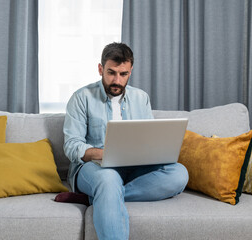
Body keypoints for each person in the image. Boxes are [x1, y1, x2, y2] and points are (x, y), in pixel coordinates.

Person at [60, 42, 188, 240]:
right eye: (111, 73)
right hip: (94, 168)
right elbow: (72, 146)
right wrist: (105, 154)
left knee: (179, 173)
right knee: (108, 179)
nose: (117, 80)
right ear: (100, 69)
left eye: (123, 74)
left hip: (133, 167)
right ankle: (106, 191)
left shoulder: (141, 97)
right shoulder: (81, 98)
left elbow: (149, 137)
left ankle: (99, 197)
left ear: (131, 71)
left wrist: (152, 151)